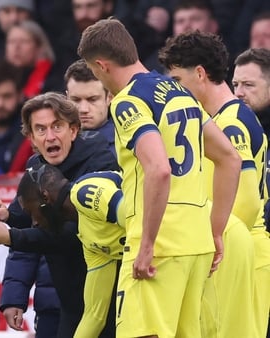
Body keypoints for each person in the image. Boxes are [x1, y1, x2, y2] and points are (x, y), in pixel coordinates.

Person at [77, 18, 242, 337]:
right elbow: (229, 158)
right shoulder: (180, 92)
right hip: (197, 243)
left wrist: (148, 244)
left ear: (101, 65)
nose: (98, 78)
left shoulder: (128, 100)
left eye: (94, 72)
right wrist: (216, 231)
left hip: (159, 244)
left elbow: (159, 168)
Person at [0, 92, 120, 337]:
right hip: (68, 301)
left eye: (57, 127)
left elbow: (72, 235)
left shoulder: (101, 163)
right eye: (41, 130)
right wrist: (6, 216)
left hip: (109, 299)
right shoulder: (36, 165)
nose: (50, 137)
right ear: (32, 138)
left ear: (73, 130)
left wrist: (11, 237)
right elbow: (25, 213)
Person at [159, 30, 260, 338]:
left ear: (200, 73)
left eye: (177, 79)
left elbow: (247, 202)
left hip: (233, 252)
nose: (175, 89)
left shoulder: (231, 124)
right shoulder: (222, 118)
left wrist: (214, 240)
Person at [11, 164, 125, 338]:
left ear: (45, 197)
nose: (34, 222)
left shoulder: (85, 192)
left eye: (31, 212)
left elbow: (140, 217)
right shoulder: (87, 234)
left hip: (175, 245)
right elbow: (94, 316)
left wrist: (144, 253)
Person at [232, 47, 270, 338]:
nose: (239, 92)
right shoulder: (232, 130)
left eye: (248, 85)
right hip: (247, 255)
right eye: (235, 84)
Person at [64, 59, 114, 153]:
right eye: (76, 100)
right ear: (67, 98)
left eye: (92, 99)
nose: (83, 109)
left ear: (109, 98)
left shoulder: (127, 144)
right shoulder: (53, 143)